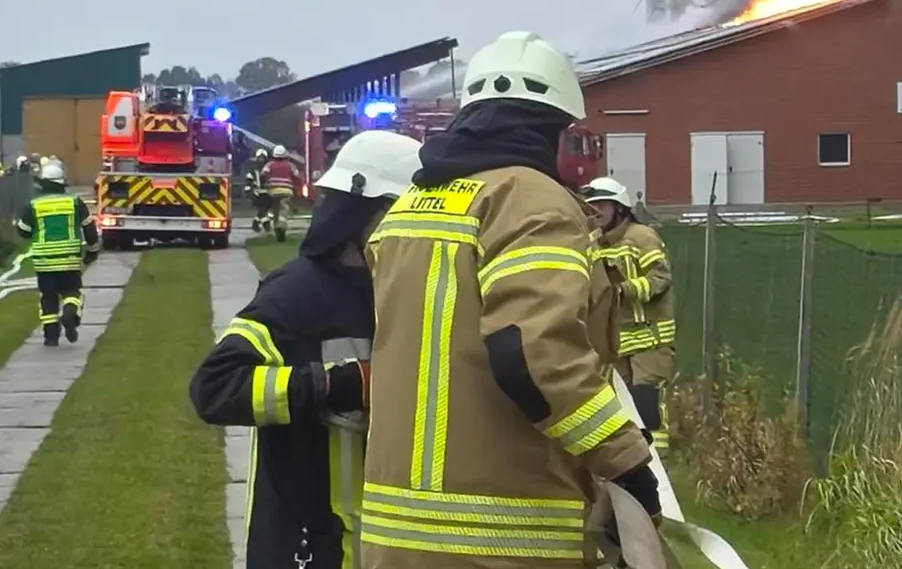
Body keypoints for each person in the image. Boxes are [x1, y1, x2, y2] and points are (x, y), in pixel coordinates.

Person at [364, 30, 662, 567]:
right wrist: (627, 464)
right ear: (556, 128)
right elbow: (532, 354)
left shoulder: (410, 205)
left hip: (394, 536)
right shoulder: (530, 201)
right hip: (506, 535)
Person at [190, 130, 423, 569]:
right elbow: (215, 387)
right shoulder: (296, 294)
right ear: (363, 215)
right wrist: (337, 383)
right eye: (402, 218)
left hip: (387, 541)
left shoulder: (404, 290)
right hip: (307, 543)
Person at [583, 177, 675, 453]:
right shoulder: (595, 244)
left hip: (649, 338)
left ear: (619, 207)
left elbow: (660, 278)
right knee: (622, 405)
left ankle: (658, 463)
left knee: (647, 404)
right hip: (618, 342)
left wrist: (623, 290)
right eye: (592, 206)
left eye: (602, 204)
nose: (596, 211)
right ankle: (632, 459)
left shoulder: (641, 237)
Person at [15, 158, 101, 346]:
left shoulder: (34, 205)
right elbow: (89, 228)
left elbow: (23, 231)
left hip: (44, 262)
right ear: (62, 183)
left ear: (43, 184)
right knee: (72, 293)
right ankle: (70, 313)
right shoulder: (75, 202)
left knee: (48, 297)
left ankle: (51, 336)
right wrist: (93, 250)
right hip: (69, 259)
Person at [262, 145, 298, 241]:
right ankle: (281, 226)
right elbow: (297, 176)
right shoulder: (290, 165)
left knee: (275, 210)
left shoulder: (269, 165)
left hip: (272, 191)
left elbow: (263, 174)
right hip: (287, 191)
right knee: (284, 209)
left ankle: (272, 224)